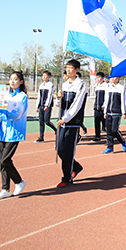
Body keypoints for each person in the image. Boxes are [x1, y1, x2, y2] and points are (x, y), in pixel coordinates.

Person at [0, 71, 28, 200]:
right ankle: (5, 189)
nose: (12, 82)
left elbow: (16, 114)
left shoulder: (22, 97)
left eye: (15, 79)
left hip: (14, 132)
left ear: (21, 81)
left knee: (5, 160)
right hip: (3, 132)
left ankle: (19, 181)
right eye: (11, 79)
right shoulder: (5, 95)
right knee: (2, 162)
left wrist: (2, 110)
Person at [55, 59, 88, 187]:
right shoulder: (64, 84)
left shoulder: (81, 85)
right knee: (59, 149)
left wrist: (66, 118)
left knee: (68, 151)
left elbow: (77, 105)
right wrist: (58, 98)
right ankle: (75, 166)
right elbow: (58, 105)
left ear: (76, 70)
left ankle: (67, 178)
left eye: (71, 68)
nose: (68, 70)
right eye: (67, 67)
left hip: (72, 122)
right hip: (62, 122)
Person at [102, 76, 126, 154]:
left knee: (114, 130)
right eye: (112, 77)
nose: (113, 79)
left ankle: (122, 141)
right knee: (108, 130)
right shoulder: (108, 87)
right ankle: (109, 147)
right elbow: (106, 99)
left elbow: (123, 100)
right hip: (109, 112)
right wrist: (105, 111)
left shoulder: (121, 88)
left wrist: (124, 112)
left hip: (117, 112)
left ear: (118, 78)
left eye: (115, 77)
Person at [35, 70, 57, 143]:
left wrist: (47, 105)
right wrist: (37, 106)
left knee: (47, 121)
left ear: (49, 77)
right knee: (41, 122)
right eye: (43, 76)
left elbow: (50, 96)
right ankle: (41, 137)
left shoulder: (51, 85)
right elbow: (39, 96)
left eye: (45, 76)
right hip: (41, 105)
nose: (44, 77)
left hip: (47, 106)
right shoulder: (41, 85)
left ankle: (56, 130)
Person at [92, 72, 107, 142]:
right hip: (97, 107)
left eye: (99, 77)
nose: (98, 79)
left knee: (106, 122)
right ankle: (97, 136)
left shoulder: (106, 86)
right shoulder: (97, 86)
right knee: (97, 122)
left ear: (103, 78)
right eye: (97, 77)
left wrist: (104, 105)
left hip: (103, 108)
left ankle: (111, 136)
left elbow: (107, 97)